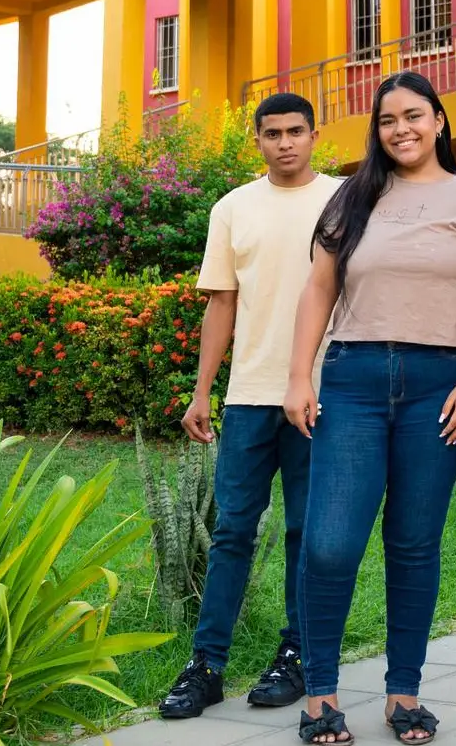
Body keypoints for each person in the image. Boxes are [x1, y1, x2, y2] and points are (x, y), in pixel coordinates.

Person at [283, 70, 456, 746]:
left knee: (412, 543)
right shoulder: (353, 196)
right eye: (387, 120)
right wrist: (299, 377)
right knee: (329, 543)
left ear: (439, 121)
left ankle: (403, 692)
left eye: (413, 115)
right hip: (352, 379)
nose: (401, 129)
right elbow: (319, 289)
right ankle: (320, 694)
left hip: (440, 384)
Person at [159, 92, 344, 720]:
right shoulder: (233, 207)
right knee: (233, 531)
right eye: (272, 133)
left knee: (305, 533)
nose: (285, 142)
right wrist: (202, 390)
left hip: (322, 396)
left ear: (315, 134)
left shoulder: (345, 199)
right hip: (248, 398)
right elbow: (222, 302)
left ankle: (297, 654)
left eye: (296, 131)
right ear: (257, 139)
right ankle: (206, 665)